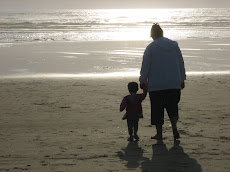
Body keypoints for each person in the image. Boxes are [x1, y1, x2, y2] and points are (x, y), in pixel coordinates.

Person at [139, 23, 186, 140]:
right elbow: (181, 62)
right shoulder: (174, 45)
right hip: (173, 83)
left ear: (153, 35)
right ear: (162, 33)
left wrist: (142, 80)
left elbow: (146, 66)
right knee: (172, 107)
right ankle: (174, 127)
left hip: (156, 84)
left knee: (157, 110)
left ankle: (159, 133)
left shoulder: (151, 48)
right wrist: (182, 78)